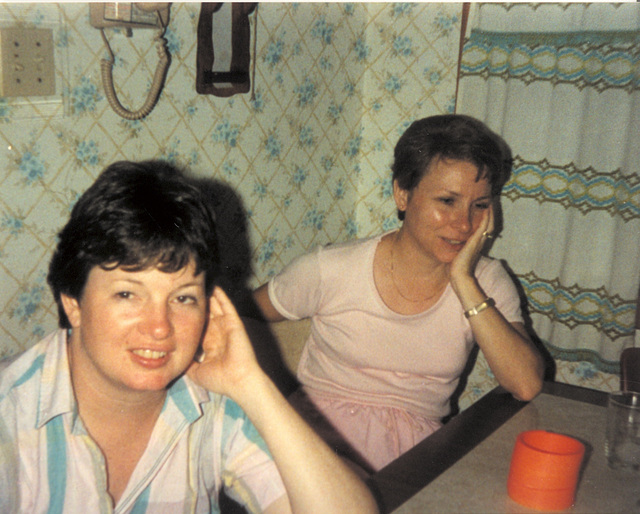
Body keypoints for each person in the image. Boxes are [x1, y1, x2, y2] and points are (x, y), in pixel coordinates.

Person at [0, 160, 379, 513]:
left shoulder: (213, 403)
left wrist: (252, 387)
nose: (160, 327)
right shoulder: (10, 411)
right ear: (74, 303)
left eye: (182, 298)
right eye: (127, 294)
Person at [253, 114, 545, 473]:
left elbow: (526, 384)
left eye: (480, 205)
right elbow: (239, 315)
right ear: (403, 194)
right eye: (447, 201)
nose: (465, 224)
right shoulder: (331, 268)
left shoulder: (487, 280)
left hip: (417, 457)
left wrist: (464, 282)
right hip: (317, 444)